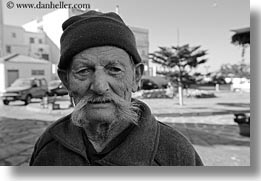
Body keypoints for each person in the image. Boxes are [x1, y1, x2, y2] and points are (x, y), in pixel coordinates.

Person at [30, 10, 203, 166]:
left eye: (114, 69)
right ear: (66, 80)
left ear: (136, 77)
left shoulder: (176, 153)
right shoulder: (49, 147)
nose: (99, 86)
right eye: (83, 71)